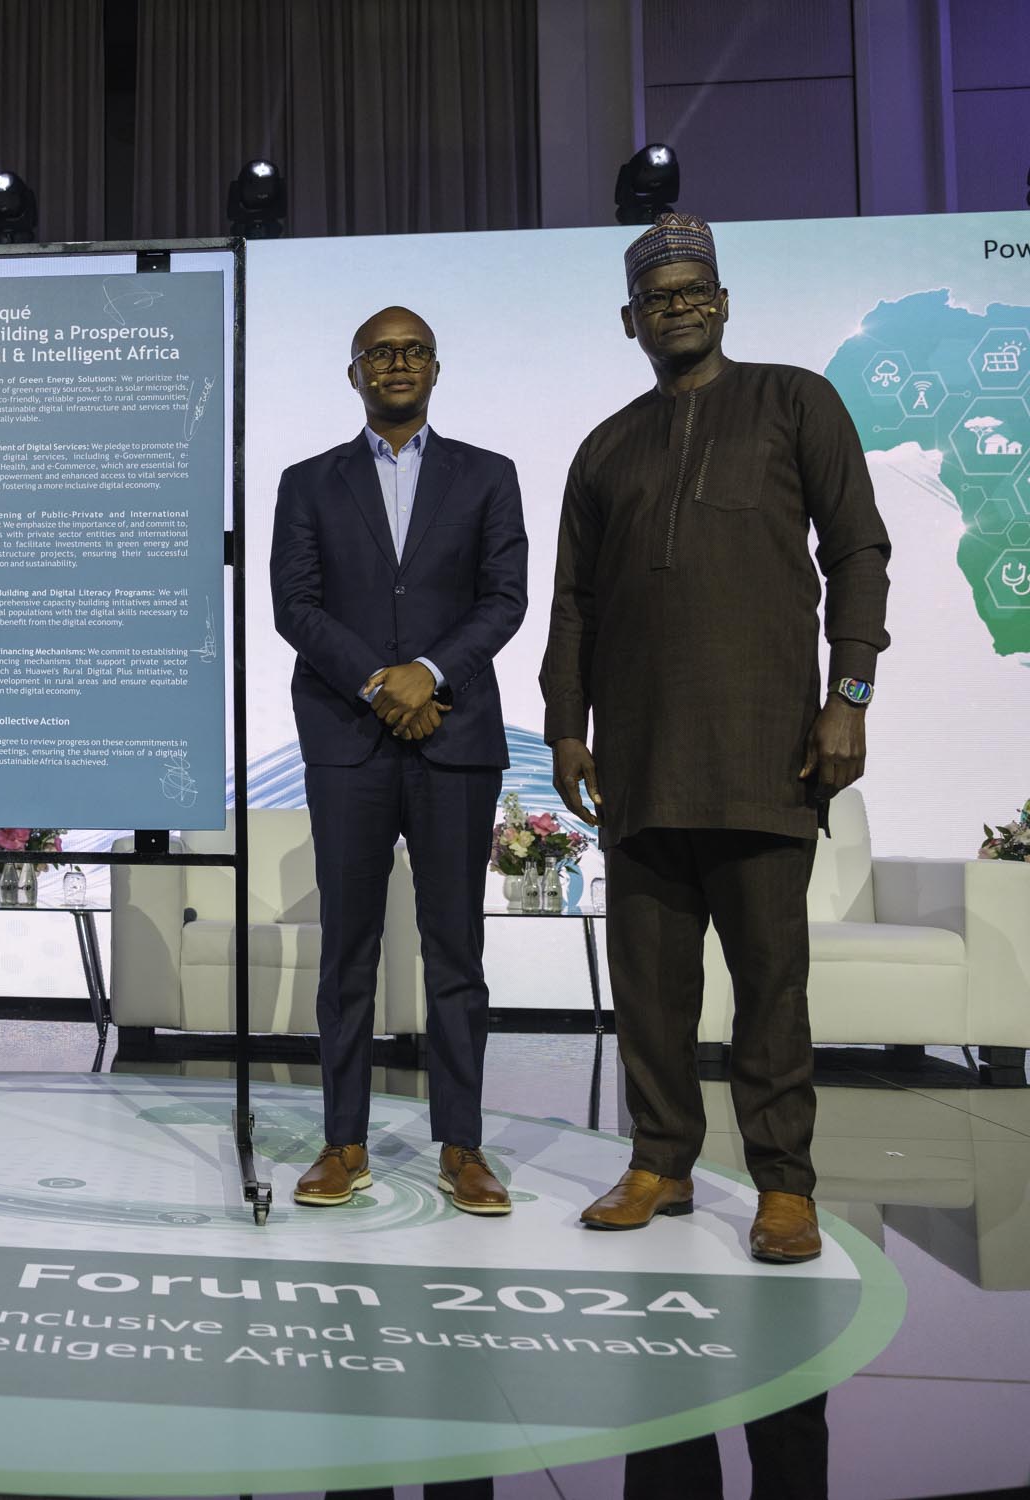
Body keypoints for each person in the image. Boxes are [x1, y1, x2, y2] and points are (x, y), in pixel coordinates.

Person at [539, 213, 891, 1263]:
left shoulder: (792, 400)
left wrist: (849, 695)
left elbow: (859, 548)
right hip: (642, 766)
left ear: (724, 301)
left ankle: (782, 1183)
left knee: (769, 984)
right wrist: (565, 728)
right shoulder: (605, 445)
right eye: (658, 296)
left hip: (762, 752)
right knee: (648, 986)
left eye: (694, 290)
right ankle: (659, 1160)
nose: (677, 306)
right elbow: (572, 605)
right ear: (627, 320)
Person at [272, 306, 529, 1214]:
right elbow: (295, 607)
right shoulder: (308, 482)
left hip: (455, 738)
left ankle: (462, 1147)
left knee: (456, 948)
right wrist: (381, 684)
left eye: (412, 350)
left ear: (434, 367)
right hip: (348, 740)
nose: (396, 364)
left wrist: (427, 675)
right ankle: (342, 1143)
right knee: (348, 948)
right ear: (354, 374)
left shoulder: (488, 476)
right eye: (378, 353)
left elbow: (505, 600)